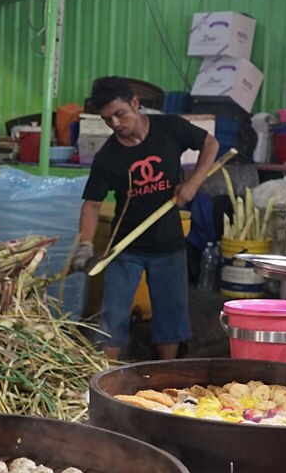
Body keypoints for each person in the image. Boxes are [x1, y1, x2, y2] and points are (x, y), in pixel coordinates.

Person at [71, 76, 218, 360]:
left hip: (169, 244)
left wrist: (193, 183)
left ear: (135, 104)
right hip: (125, 248)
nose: (114, 123)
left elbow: (210, 144)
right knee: (112, 318)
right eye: (106, 119)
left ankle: (169, 375)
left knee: (171, 317)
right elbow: (91, 206)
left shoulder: (170, 128)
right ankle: (103, 378)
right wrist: (86, 245)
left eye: (119, 114)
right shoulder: (108, 157)